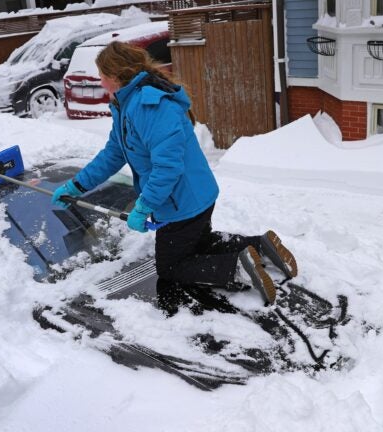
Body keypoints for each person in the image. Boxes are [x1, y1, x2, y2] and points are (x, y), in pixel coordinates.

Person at [51, 41, 297, 305]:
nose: (99, 81)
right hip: (191, 197)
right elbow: (113, 154)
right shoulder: (127, 105)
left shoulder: (149, 107)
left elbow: (167, 168)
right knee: (199, 246)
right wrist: (76, 186)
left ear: (115, 75)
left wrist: (145, 206)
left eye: (101, 75)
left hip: (182, 202)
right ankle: (261, 247)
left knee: (171, 267)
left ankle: (238, 269)